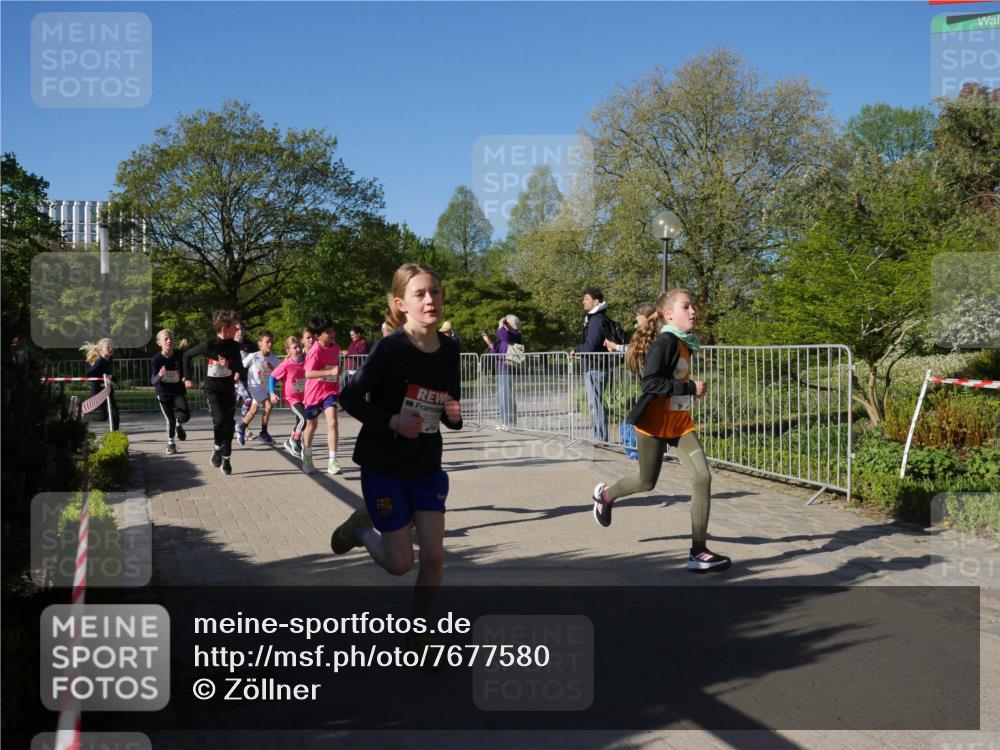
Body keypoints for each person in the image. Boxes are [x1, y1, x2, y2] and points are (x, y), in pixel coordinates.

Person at [333, 263, 462, 638]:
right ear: (400, 303)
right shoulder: (389, 349)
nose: (430, 300)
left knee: (434, 557)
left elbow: (449, 406)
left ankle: (421, 635)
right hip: (384, 466)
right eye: (419, 294)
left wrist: (454, 414)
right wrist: (391, 421)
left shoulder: (450, 349)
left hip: (426, 466)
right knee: (400, 565)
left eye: (435, 292)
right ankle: (361, 530)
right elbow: (349, 397)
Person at [591, 288, 730, 572]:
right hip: (653, 425)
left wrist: (686, 391)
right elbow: (651, 383)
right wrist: (689, 387)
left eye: (693, 306)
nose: (693, 311)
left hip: (679, 424)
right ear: (668, 314)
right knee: (646, 482)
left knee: (702, 478)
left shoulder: (684, 343)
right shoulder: (665, 343)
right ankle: (605, 496)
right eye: (686, 306)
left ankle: (698, 551)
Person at [182, 310, 247, 475]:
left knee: (229, 426)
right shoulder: (209, 345)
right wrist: (188, 378)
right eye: (234, 327)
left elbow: (240, 369)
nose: (237, 329)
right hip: (213, 391)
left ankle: (226, 458)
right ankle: (217, 448)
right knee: (219, 421)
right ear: (224, 328)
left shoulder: (234, 346)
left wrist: (228, 365)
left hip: (228, 391)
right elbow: (187, 355)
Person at [301, 315, 342, 475]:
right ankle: (307, 455)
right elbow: (308, 374)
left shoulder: (336, 347)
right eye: (327, 332)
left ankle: (332, 461)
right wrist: (330, 372)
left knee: (332, 422)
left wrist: (336, 374)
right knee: (312, 425)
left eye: (332, 330)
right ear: (318, 336)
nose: (332, 334)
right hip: (313, 394)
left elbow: (334, 367)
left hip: (329, 392)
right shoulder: (315, 351)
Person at [572, 287, 612, 443]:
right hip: (597, 366)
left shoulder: (596, 320)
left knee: (595, 403)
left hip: (596, 367)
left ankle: (600, 438)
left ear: (595, 302)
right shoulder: (597, 319)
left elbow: (591, 346)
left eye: (586, 299)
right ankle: (599, 437)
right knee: (596, 403)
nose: (583, 301)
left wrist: (576, 349)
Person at [150, 329, 190, 454]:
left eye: (171, 339)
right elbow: (153, 381)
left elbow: (185, 371)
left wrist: (186, 378)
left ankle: (179, 424)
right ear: (159, 343)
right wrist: (159, 375)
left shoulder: (180, 355)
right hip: (163, 392)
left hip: (178, 390)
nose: (169, 341)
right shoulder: (156, 359)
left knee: (185, 416)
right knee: (170, 420)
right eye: (166, 339)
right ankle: (170, 443)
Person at [237, 330, 280, 446]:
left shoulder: (274, 358)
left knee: (253, 410)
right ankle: (263, 433)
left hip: (264, 388)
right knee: (268, 405)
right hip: (254, 386)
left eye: (271, 342)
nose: (270, 344)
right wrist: (236, 374)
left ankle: (241, 427)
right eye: (267, 342)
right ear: (260, 343)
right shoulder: (253, 356)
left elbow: (279, 374)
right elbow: (241, 365)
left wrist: (272, 369)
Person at [481, 314, 523, 430]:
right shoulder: (506, 338)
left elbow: (503, 335)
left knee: (506, 396)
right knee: (503, 395)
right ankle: (509, 422)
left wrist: (501, 324)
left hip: (508, 368)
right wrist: (489, 342)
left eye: (506, 324)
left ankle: (508, 423)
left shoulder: (515, 335)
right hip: (502, 368)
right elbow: (496, 352)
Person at [270, 336, 307, 458]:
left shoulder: (306, 361)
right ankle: (295, 440)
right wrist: (272, 393)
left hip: (304, 397)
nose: (298, 349)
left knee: (300, 422)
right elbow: (273, 377)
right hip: (292, 398)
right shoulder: (286, 364)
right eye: (294, 348)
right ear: (288, 350)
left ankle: (289, 442)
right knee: (303, 419)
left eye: (299, 347)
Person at [81, 338, 119, 431]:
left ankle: (115, 431)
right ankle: (84, 416)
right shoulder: (100, 361)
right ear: (101, 350)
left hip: (107, 388)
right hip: (98, 391)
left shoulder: (110, 359)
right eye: (108, 347)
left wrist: (115, 380)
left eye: (112, 347)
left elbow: (107, 373)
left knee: (114, 410)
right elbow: (89, 372)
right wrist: (85, 378)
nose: (111, 349)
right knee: (103, 416)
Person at [233, 323, 256, 417]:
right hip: (234, 378)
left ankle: (243, 422)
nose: (240, 331)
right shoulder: (229, 344)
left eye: (242, 329)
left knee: (248, 400)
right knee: (247, 399)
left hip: (247, 377)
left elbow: (257, 358)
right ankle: (241, 419)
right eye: (237, 329)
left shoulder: (250, 345)